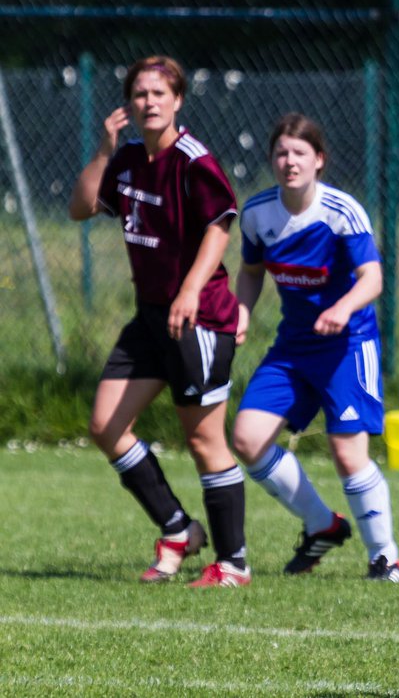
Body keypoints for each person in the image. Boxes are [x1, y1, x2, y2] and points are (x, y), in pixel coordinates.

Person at [68, 54, 250, 588]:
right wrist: (104, 149)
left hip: (199, 319)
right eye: (140, 94)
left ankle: (233, 564)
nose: (149, 102)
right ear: (129, 102)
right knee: (105, 426)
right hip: (151, 318)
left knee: (203, 440)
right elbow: (80, 207)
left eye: (159, 94)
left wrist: (190, 290)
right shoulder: (125, 160)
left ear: (178, 101)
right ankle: (177, 530)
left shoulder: (193, 159)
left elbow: (221, 223)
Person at [232, 113, 399, 582]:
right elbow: (249, 273)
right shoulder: (258, 214)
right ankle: (321, 524)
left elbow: (372, 279)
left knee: (348, 453)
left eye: (299, 153)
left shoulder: (341, 211)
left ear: (319, 160)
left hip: (348, 344)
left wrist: (343, 309)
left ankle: (384, 557)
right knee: (247, 439)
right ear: (271, 160)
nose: (289, 162)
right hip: (293, 347)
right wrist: (241, 313)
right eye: (281, 153)